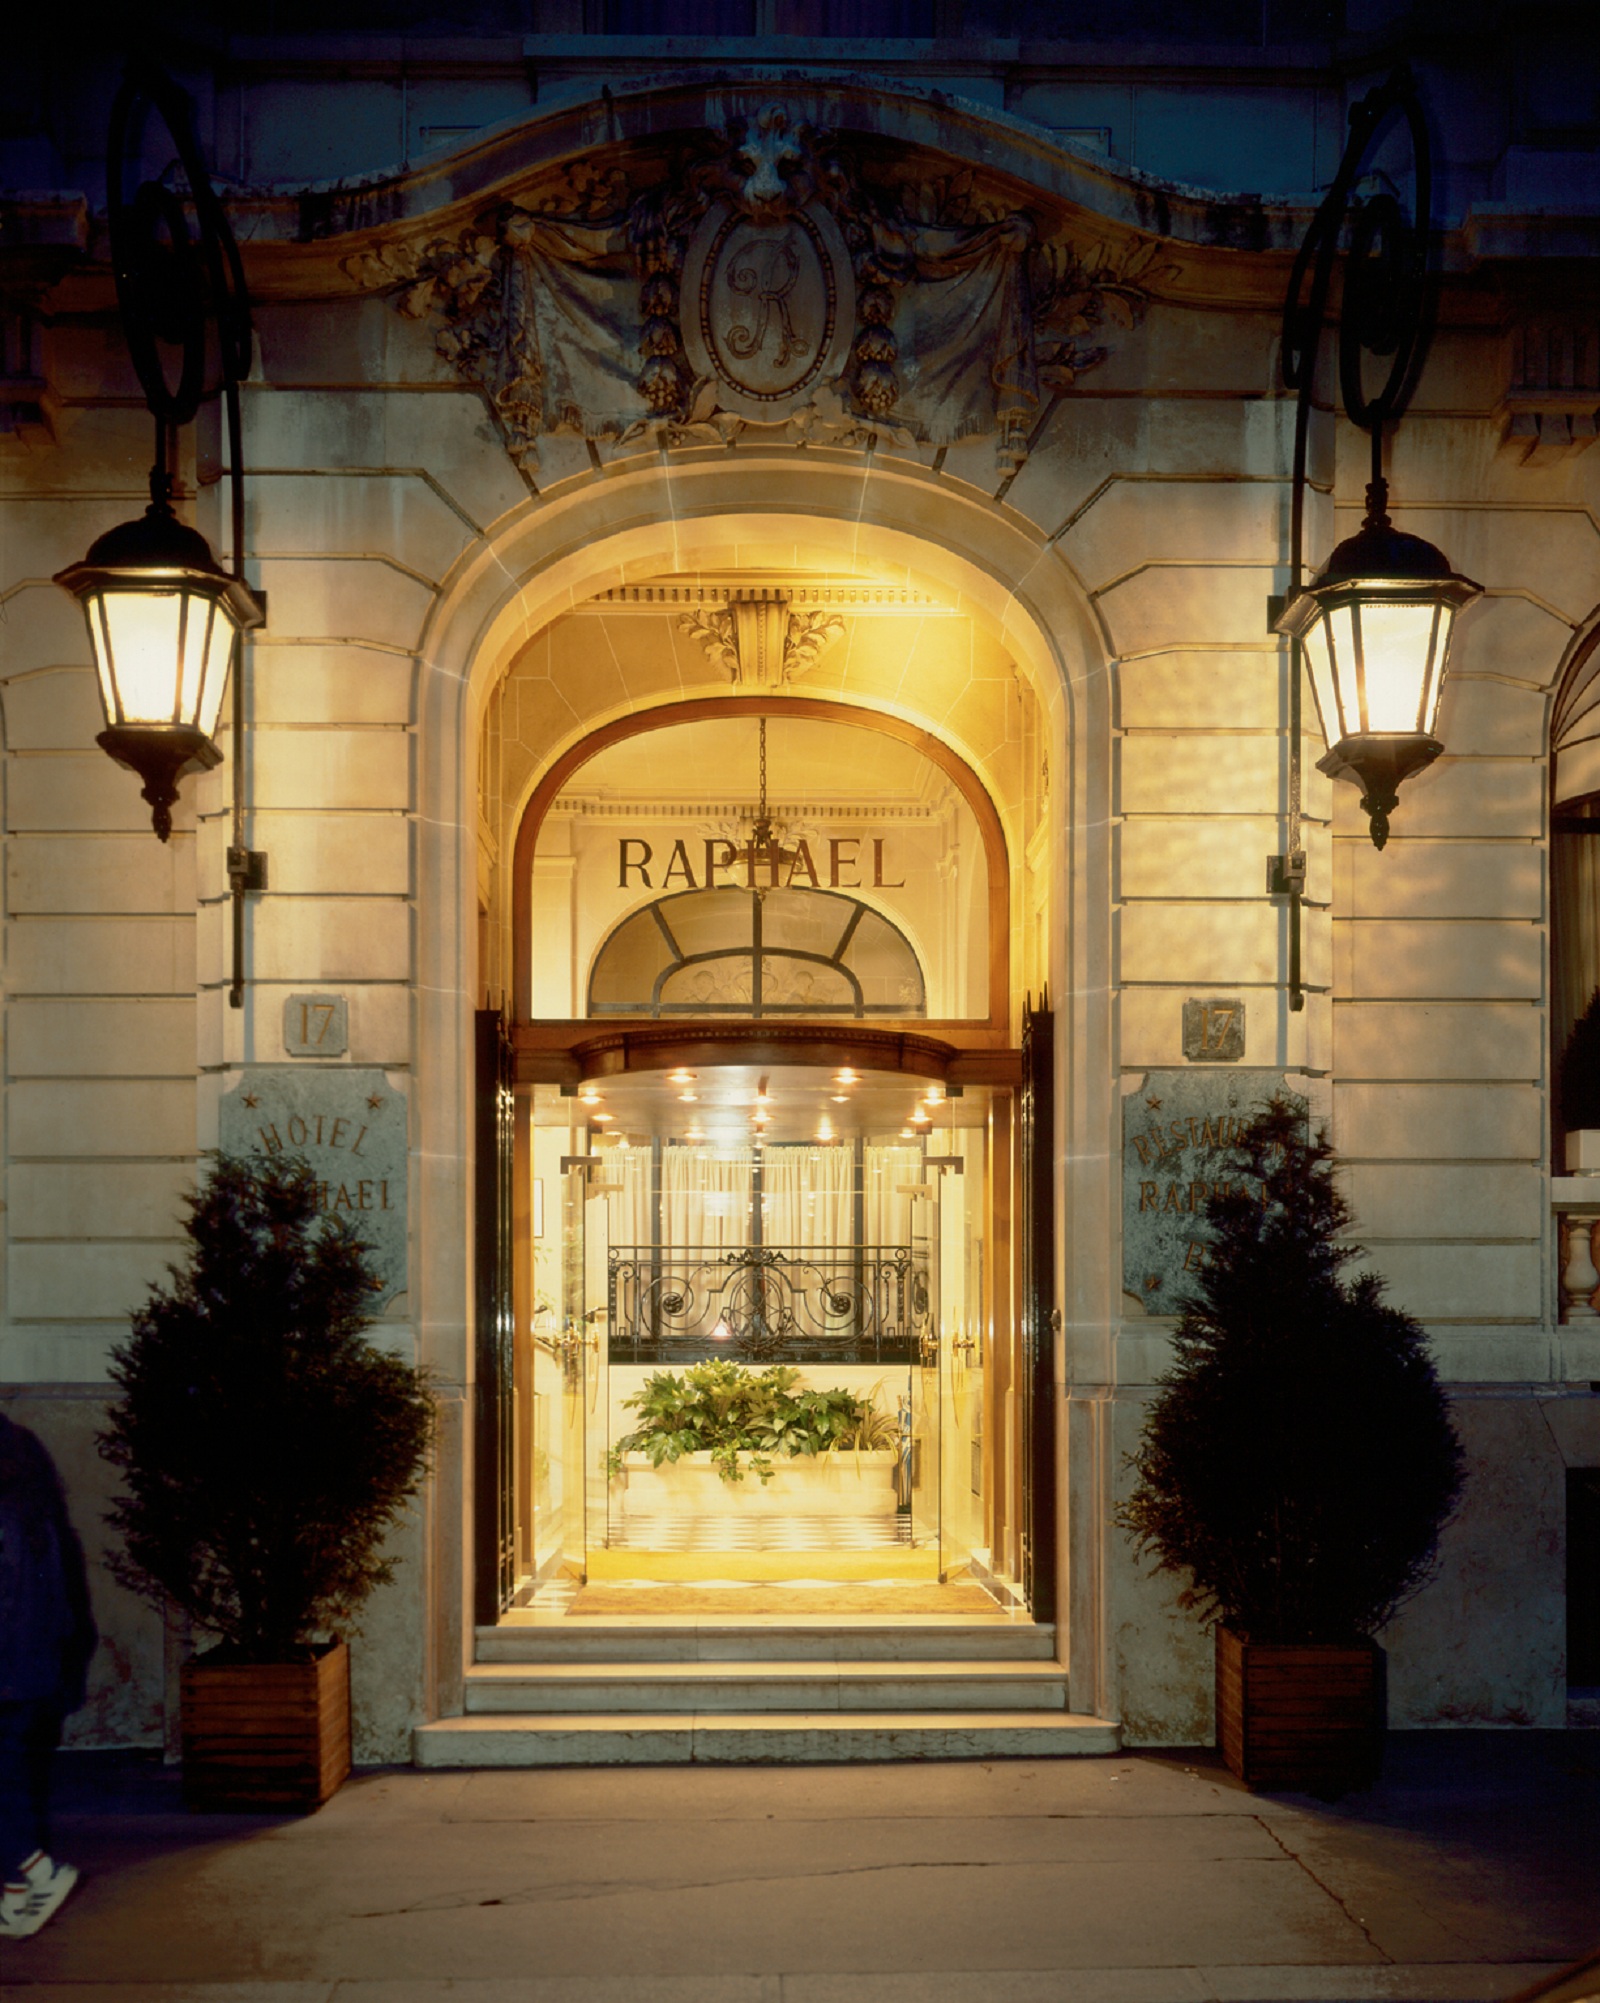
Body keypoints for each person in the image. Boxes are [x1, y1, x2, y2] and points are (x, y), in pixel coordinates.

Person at [0, 1411, 97, 1941]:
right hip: (30, 1670)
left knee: (6, 1787)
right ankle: (17, 1897)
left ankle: (41, 1872)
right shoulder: (33, 1509)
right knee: (11, 1783)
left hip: (9, 1672)